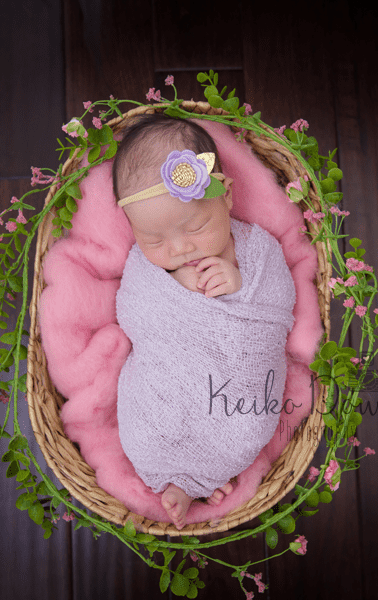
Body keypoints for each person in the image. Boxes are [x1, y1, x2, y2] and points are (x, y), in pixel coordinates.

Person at [113, 114, 296, 529]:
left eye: (196, 226)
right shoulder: (146, 267)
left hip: (236, 386)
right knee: (147, 432)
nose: (179, 249)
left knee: (247, 428)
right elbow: (133, 310)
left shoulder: (255, 250)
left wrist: (238, 285)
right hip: (166, 384)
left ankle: (201, 478)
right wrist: (174, 287)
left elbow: (277, 302)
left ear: (226, 195)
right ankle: (181, 480)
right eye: (154, 239)